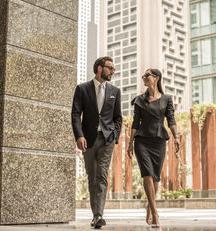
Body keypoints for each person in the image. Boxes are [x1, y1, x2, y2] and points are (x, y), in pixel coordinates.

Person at [71, 56, 122, 229]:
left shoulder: (115, 91)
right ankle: (95, 215)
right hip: (88, 139)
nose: (113, 71)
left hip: (107, 139)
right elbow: (75, 114)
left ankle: (99, 215)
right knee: (92, 177)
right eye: (110, 68)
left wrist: (115, 135)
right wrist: (79, 136)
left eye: (113, 69)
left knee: (101, 175)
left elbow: (118, 118)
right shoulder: (82, 89)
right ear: (99, 68)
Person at [127, 69, 180, 228]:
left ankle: (149, 207)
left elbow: (171, 119)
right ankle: (156, 213)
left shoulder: (166, 99)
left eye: (147, 75)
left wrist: (176, 136)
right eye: (143, 76)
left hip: (158, 141)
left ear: (156, 78)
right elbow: (135, 123)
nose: (143, 77)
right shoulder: (139, 100)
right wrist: (130, 143)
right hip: (142, 141)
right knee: (147, 175)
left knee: (156, 177)